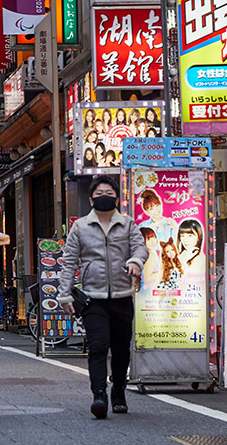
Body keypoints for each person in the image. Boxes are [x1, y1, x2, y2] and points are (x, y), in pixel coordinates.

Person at [59, 177, 147, 419]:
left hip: (122, 297)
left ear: (117, 198)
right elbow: (69, 262)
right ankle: (99, 394)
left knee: (120, 349)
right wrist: (64, 294)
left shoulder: (128, 224)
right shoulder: (80, 227)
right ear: (91, 199)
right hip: (92, 298)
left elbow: (141, 248)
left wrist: (135, 261)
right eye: (100, 192)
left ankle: (118, 390)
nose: (104, 195)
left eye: (109, 192)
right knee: (98, 346)